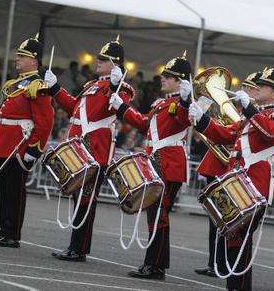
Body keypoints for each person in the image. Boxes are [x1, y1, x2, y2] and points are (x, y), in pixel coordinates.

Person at [189, 65, 274, 291]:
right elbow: (225, 134)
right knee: (232, 240)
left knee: (241, 242)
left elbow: (271, 134)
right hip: (237, 183)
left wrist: (250, 109)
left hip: (254, 186)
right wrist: (202, 119)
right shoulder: (252, 116)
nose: (258, 88)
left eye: (263, 86)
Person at [44, 35, 135, 261]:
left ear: (114, 64)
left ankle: (79, 248)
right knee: (78, 197)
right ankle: (75, 246)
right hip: (79, 147)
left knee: (86, 199)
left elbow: (120, 103)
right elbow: (74, 106)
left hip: (95, 149)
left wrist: (114, 84)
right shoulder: (91, 85)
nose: (97, 62)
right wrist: (55, 87)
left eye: (103, 60)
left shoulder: (122, 87)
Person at [109, 51, 192, 280]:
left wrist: (186, 100)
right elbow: (144, 123)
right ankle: (155, 264)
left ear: (180, 81)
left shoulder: (182, 104)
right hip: (156, 161)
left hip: (169, 164)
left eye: (169, 76)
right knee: (154, 214)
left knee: (159, 215)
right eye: (164, 75)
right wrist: (122, 107)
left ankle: (154, 266)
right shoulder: (162, 103)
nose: (163, 78)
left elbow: (185, 119)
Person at [193, 71, 262, 278]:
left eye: (250, 88)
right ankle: (215, 262)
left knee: (227, 222)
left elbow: (235, 136)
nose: (244, 91)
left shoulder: (255, 114)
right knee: (215, 220)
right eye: (246, 87)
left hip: (231, 169)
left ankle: (223, 265)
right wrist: (203, 118)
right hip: (218, 165)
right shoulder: (239, 111)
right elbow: (221, 131)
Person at [0, 33, 54, 248]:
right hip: (4, 142)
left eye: (22, 56)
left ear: (34, 61)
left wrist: (33, 150)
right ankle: (4, 229)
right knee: (4, 189)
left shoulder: (37, 85)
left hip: (19, 145)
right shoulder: (17, 83)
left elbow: (44, 122)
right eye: (18, 55)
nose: (17, 59)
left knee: (15, 190)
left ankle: (12, 233)